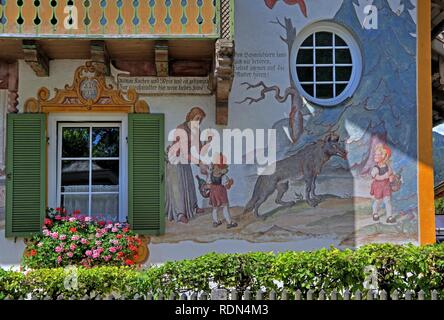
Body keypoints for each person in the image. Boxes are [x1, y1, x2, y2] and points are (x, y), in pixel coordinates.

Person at [166, 107, 207, 224]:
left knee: (189, 183)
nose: (198, 121)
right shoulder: (181, 129)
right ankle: (180, 214)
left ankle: (193, 207)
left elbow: (197, 150)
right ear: (191, 116)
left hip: (186, 160)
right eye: (197, 118)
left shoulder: (196, 130)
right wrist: (199, 163)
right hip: (175, 161)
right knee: (178, 187)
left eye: (200, 119)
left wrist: (203, 162)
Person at [205, 154, 237, 229]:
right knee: (225, 207)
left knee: (215, 207)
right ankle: (229, 223)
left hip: (213, 193)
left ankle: (215, 222)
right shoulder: (223, 176)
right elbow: (227, 186)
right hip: (221, 193)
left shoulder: (211, 174)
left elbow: (208, 183)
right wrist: (230, 183)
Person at [370, 144, 396, 224]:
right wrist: (385, 176)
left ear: (384, 156)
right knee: (378, 201)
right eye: (375, 154)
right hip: (378, 187)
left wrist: (391, 178)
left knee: (387, 201)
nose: (376, 156)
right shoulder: (375, 168)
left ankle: (389, 216)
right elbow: (375, 177)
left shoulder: (388, 167)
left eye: (378, 154)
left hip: (386, 186)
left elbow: (391, 174)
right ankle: (375, 213)